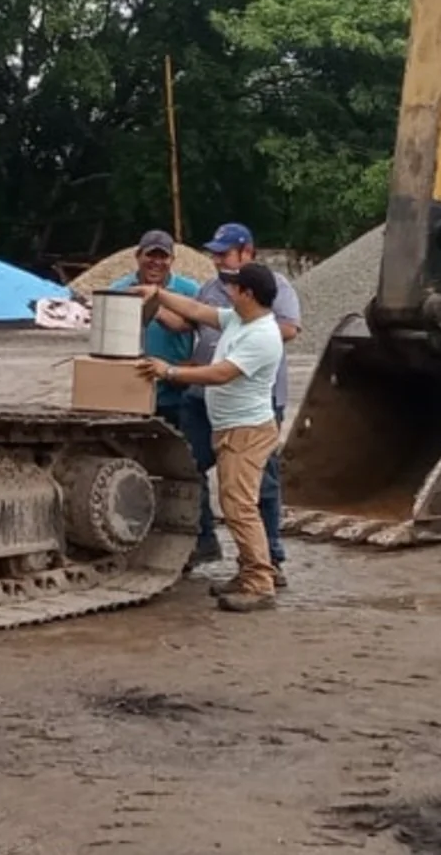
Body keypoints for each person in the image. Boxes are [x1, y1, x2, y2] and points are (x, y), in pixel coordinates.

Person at [131, 262, 288, 612]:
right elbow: (197, 310)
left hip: (246, 431)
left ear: (248, 294)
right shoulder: (239, 319)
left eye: (234, 288)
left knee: (239, 507)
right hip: (232, 426)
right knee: (237, 505)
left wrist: (169, 371)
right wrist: (157, 294)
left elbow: (221, 373)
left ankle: (260, 583)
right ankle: (249, 572)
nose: (228, 292)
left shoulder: (262, 334)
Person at [188, 222, 301, 584]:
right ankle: (204, 541)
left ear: (247, 252)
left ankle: (267, 562)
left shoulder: (271, 291)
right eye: (215, 253)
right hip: (210, 403)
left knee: (254, 489)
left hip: (253, 406)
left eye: (224, 253)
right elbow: (196, 317)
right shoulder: (213, 288)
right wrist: (156, 299)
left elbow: (287, 329)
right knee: (190, 468)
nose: (217, 260)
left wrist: (244, 331)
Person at [102, 230, 200, 425]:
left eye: (163, 256)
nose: (156, 262)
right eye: (150, 255)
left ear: (172, 259)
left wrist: (155, 308)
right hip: (129, 388)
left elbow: (199, 330)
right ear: (138, 256)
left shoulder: (190, 291)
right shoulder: (119, 290)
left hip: (174, 391)